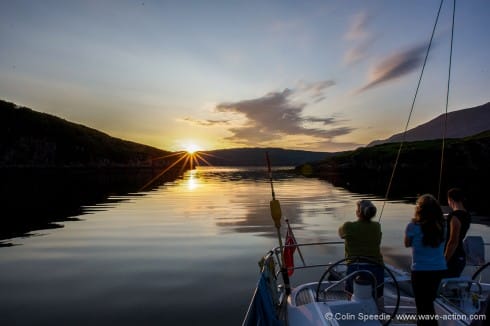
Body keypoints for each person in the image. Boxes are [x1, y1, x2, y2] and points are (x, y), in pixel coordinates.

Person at [405, 194, 447, 326]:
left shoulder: (412, 226)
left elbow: (407, 243)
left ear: (419, 209)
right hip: (438, 269)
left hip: (420, 270)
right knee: (428, 302)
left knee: (422, 305)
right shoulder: (443, 226)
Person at [339, 200, 384, 300]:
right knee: (377, 297)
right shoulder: (377, 226)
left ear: (359, 212)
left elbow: (340, 233)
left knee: (351, 296)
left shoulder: (348, 226)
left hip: (355, 267)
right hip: (376, 267)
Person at [444, 188, 471, 278]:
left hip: (453, 258)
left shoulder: (454, 217)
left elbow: (453, 241)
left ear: (450, 199)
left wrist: (444, 260)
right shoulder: (467, 215)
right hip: (460, 257)